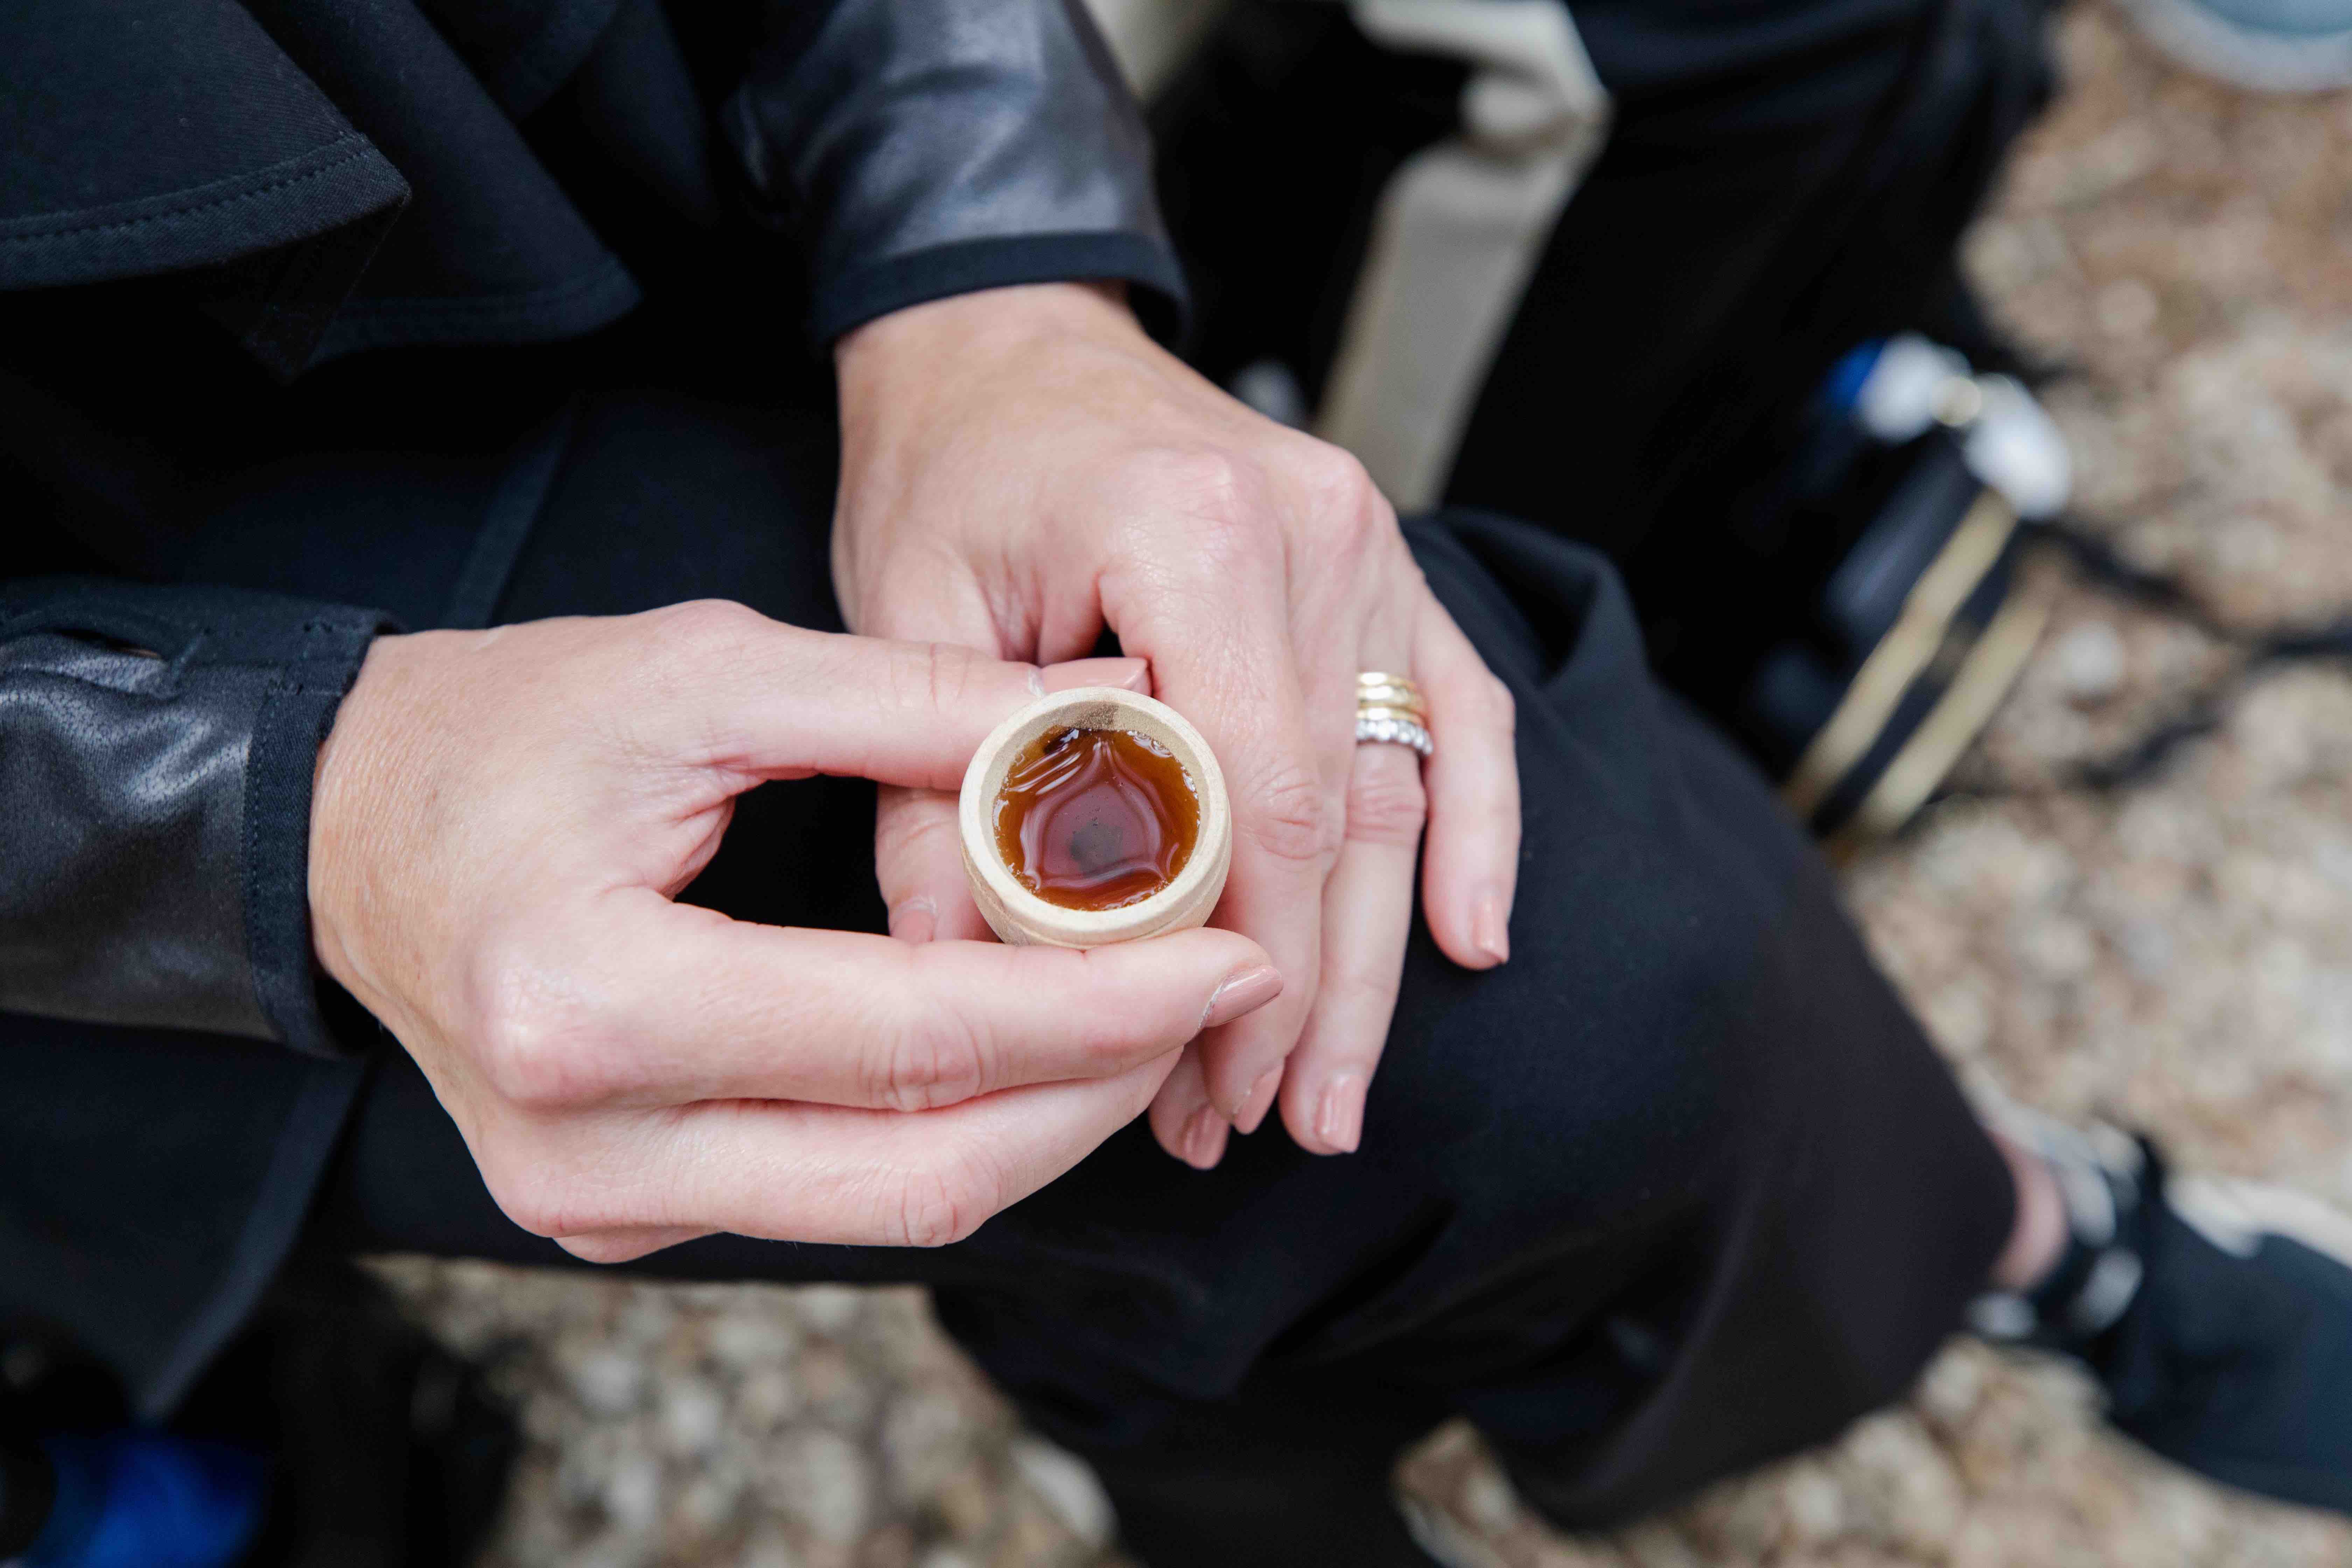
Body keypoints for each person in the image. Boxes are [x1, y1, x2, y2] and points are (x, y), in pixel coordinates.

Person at [2, 2, 2345, 1564]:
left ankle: (1998, 1233)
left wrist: (997, 261)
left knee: (1475, 927)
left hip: (617, 128)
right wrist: (264, 821)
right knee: (1507, 1041)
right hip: (104, 690)